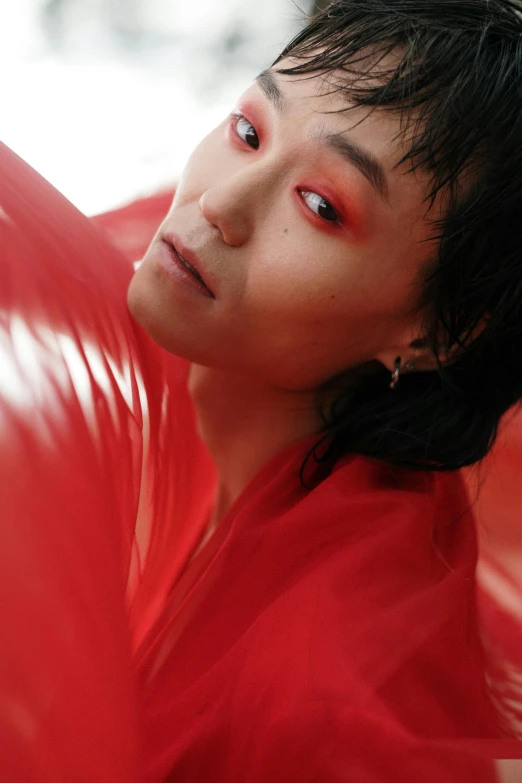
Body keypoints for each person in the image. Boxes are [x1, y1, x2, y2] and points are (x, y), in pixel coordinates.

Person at [126, 1, 522, 780]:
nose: (220, 204)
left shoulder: (318, 705)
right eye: (249, 131)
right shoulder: (172, 301)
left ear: (438, 333)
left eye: (320, 206)